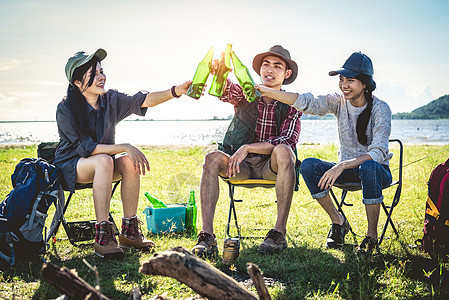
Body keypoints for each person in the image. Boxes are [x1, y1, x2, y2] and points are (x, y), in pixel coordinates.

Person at [54, 49, 192, 259]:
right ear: (78, 83)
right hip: (72, 168)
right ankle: (102, 234)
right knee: (104, 160)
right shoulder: (65, 108)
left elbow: (144, 99)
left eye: (101, 71)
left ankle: (129, 232)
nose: (101, 77)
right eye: (94, 74)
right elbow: (87, 148)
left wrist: (176, 91)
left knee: (128, 163)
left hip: (103, 166)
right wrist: (125, 145)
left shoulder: (111, 100)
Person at [254, 52, 393, 254]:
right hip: (346, 172)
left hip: (376, 173)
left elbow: (378, 152)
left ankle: (371, 237)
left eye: (351, 80)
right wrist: (268, 91)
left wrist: (342, 164)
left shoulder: (380, 109)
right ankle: (338, 222)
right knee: (308, 165)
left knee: (369, 165)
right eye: (342, 79)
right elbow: (307, 102)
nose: (344, 85)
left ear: (365, 84)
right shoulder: (338, 102)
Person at [192, 45, 302, 256]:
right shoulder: (246, 92)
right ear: (260, 70)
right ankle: (207, 236)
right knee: (211, 158)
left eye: (277, 66)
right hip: (239, 166)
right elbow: (225, 91)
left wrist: (248, 147)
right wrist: (219, 73)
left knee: (285, 150)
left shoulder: (293, 104)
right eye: (266, 65)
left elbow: (288, 139)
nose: (270, 70)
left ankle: (278, 233)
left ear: (287, 74)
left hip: (272, 167)